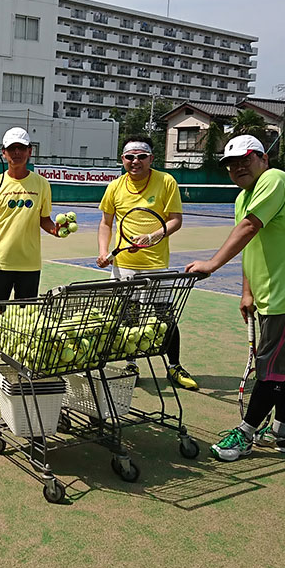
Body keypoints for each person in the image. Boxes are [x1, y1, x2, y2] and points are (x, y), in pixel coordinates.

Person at [185, 135, 285, 462]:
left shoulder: (275, 180)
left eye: (244, 160)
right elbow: (250, 242)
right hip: (273, 295)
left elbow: (249, 227)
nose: (237, 168)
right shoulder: (243, 197)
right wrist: (247, 292)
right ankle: (282, 433)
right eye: (231, 164)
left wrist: (212, 264)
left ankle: (246, 434)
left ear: (264, 159)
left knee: (271, 368)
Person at [96, 135, 197, 390]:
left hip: (155, 264)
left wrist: (153, 236)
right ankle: (131, 363)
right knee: (128, 316)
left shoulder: (166, 181)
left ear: (151, 158)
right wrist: (102, 251)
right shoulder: (115, 186)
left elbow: (176, 219)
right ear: (123, 160)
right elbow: (106, 223)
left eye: (141, 156)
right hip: (123, 264)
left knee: (165, 317)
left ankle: (174, 366)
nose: (135, 161)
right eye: (130, 157)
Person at [0, 127, 62, 388]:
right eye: (12, 149)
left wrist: (56, 230)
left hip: (29, 264)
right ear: (4, 153)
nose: (17, 153)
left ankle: (22, 363)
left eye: (22, 148)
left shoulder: (41, 184)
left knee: (26, 319)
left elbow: (45, 220)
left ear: (30, 152)